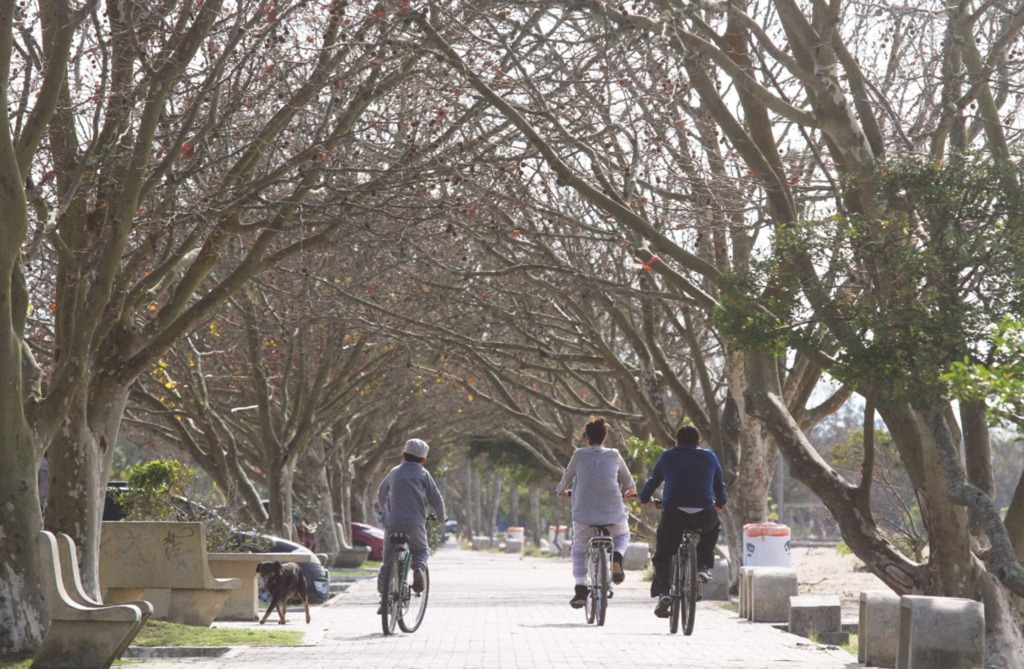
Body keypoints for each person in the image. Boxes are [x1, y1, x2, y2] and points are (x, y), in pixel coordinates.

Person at [639, 425, 727, 618]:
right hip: (704, 513)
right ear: (698, 442)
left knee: (663, 553)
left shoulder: (668, 456)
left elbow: (653, 481)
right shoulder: (709, 457)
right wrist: (720, 503)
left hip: (674, 514)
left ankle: (663, 593)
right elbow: (719, 485)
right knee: (713, 529)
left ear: (677, 441)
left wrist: (645, 498)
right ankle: (702, 567)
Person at [555, 416, 637, 609]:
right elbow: (629, 483)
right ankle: (616, 557)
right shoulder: (614, 455)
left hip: (584, 515)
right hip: (612, 511)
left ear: (586, 438)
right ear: (604, 437)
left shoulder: (579, 454)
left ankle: (581, 589)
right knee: (623, 534)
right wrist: (628, 492)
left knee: (580, 548)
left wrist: (561, 491)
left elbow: (566, 478)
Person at [376, 438, 446, 610]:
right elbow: (435, 497)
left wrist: (385, 509)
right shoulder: (423, 474)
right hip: (415, 523)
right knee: (421, 550)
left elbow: (381, 492)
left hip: (393, 522)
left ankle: (384, 600)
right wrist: (440, 517)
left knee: (387, 561)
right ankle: (418, 570)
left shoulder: (394, 472)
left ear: (403, 454)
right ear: (423, 459)